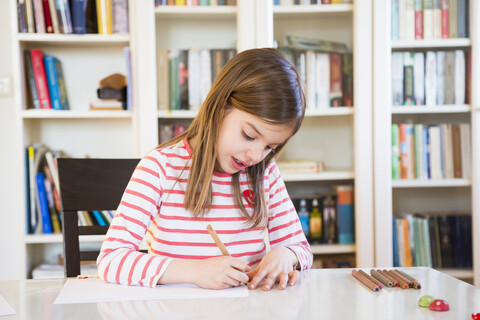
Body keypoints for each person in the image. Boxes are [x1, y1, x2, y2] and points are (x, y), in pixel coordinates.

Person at [97, 48, 313, 291]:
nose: (256, 156)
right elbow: (111, 259)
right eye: (249, 135)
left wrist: (287, 255)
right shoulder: (160, 168)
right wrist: (194, 272)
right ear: (220, 107)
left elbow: (301, 250)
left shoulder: (266, 174)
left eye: (270, 147)